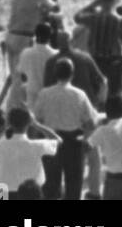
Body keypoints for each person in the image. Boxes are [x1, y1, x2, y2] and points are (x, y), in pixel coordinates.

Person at [33, 57, 99, 200]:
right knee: (74, 186)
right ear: (72, 74)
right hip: (74, 142)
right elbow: (90, 122)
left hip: (51, 140)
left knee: (50, 186)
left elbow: (36, 119)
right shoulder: (79, 94)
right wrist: (87, 138)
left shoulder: (44, 93)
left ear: (55, 74)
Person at [0, 107, 59, 199]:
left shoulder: (0, 145)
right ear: (28, 123)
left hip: (3, 189)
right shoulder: (37, 145)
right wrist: (37, 125)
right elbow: (57, 140)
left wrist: (5, 126)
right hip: (32, 189)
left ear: (10, 123)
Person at [74, 0, 122, 99]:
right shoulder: (120, 20)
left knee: (97, 92)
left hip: (96, 61)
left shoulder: (93, 18)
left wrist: (93, 4)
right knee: (115, 92)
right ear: (113, 2)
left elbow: (76, 17)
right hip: (114, 60)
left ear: (100, 1)